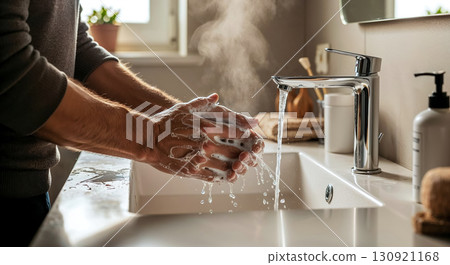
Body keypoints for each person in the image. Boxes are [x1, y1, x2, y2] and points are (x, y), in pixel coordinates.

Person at [0, 1, 263, 246]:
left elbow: (75, 48)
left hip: (29, 192)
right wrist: (151, 138)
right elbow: (14, 72)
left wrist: (183, 120)